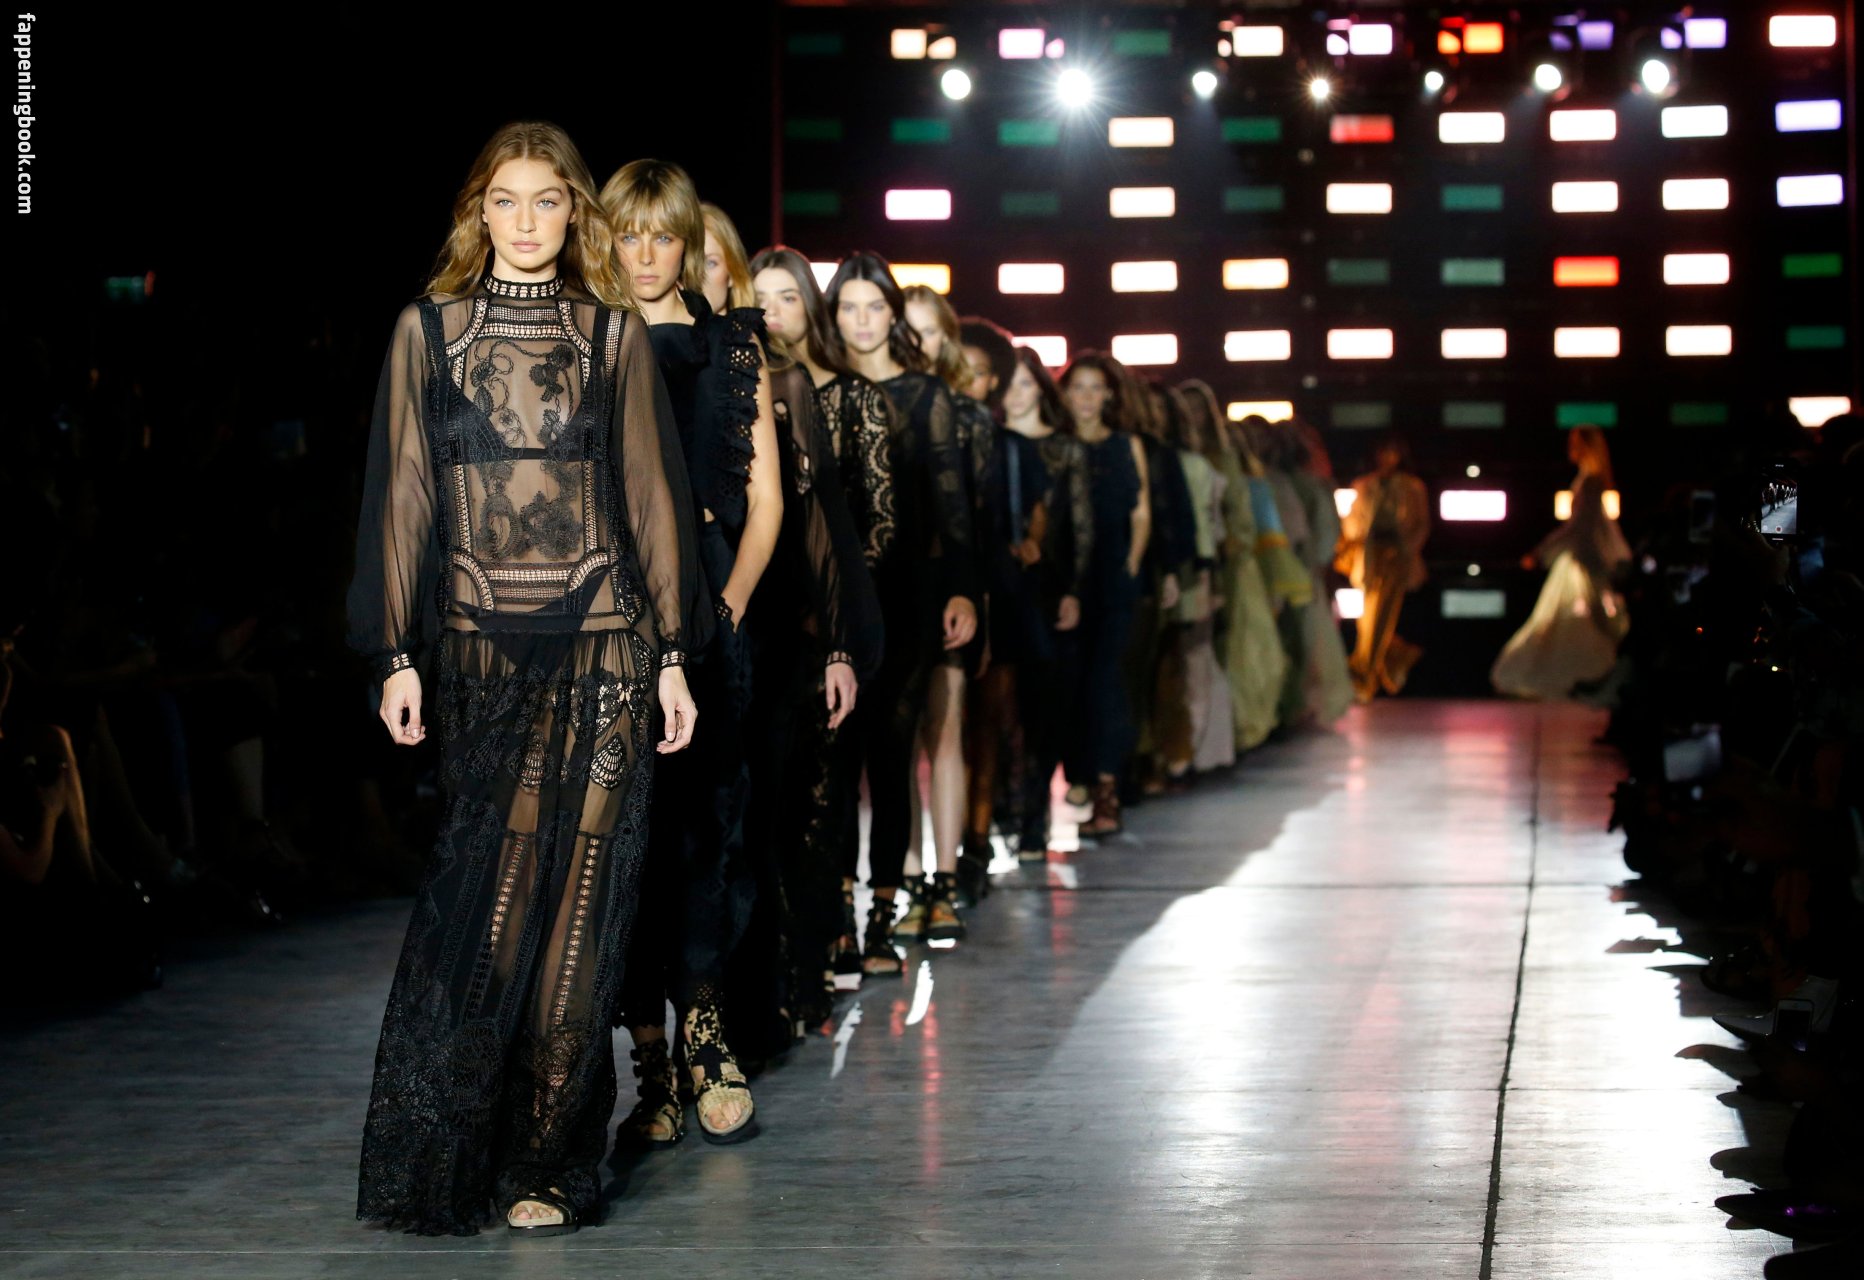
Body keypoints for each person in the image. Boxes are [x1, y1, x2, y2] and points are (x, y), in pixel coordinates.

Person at [350, 122, 705, 1238]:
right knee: (495, 900)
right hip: (480, 650)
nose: (526, 220)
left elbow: (648, 491)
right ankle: (476, 1146)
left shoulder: (611, 333)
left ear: (573, 213)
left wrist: (675, 654)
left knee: (583, 907)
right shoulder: (429, 330)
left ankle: (549, 1162)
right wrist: (393, 653)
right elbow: (405, 494)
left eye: (548, 200)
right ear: (478, 212)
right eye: (505, 200)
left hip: (607, 644)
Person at [599, 161, 781, 1149]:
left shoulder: (732, 347)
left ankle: (707, 1036)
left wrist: (730, 604)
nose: (643, 254)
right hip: (602, 610)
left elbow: (766, 500)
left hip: (708, 610)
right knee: (620, 841)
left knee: (707, 827)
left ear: (687, 243)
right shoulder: (585, 339)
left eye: (660, 236)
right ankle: (651, 1066)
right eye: (626, 234)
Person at [822, 252, 978, 974]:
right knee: (836, 760)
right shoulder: (818, 388)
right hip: (832, 599)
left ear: (892, 314)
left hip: (910, 594)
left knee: (891, 753)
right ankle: (839, 923)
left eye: (873, 306)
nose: (861, 321)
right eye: (848, 307)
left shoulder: (926, 395)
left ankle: (882, 917)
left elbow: (952, 503)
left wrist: (963, 591)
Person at [750, 245, 897, 989]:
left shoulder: (847, 396)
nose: (773, 312)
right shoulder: (739, 385)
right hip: (765, 609)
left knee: (830, 782)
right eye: (760, 298)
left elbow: (870, 521)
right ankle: (793, 947)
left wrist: (832, 614)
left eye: (788, 297)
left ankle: (829, 932)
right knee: (776, 792)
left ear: (811, 308)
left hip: (833, 617)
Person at [900, 284, 997, 921]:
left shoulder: (969, 417)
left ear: (947, 340)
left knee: (947, 729)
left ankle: (944, 881)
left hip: (950, 584)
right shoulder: (870, 400)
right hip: (891, 584)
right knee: (897, 741)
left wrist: (978, 601)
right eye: (907, 331)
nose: (917, 343)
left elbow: (979, 521)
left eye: (929, 331)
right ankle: (907, 882)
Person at [996, 345, 1092, 858]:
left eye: (1026, 382)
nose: (1015, 393)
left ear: (1040, 387)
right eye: (1008, 382)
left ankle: (1033, 818)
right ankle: (1003, 811)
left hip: (1047, 588)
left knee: (1043, 708)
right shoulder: (984, 439)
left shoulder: (1065, 449)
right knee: (999, 711)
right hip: (995, 587)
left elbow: (1081, 527)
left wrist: (1074, 590)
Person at [1057, 352, 1150, 837]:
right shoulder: (1057, 444)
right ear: (1065, 392)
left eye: (1096, 387)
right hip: (1065, 581)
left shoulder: (1126, 444)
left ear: (1110, 394)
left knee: (1106, 682)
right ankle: (1081, 776)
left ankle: (1108, 788)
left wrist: (1131, 563)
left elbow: (1141, 511)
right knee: (1071, 683)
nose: (1088, 397)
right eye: (1079, 387)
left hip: (1113, 577)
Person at [1178, 383, 1286, 752]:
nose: (1192, 417)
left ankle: (1224, 735)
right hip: (1186, 562)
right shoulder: (1174, 454)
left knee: (1231, 647)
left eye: (1198, 409)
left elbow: (1240, 515)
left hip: (1227, 564)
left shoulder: (1223, 459)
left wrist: (1232, 554)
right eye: (1186, 409)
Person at [1492, 426, 1631, 699]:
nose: (1570, 449)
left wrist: (1541, 551)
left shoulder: (1590, 482)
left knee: (1598, 622)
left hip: (1587, 561)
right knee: (1595, 622)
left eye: (1575, 443)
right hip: (1584, 559)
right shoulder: (1588, 481)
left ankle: (1609, 675)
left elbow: (1578, 528)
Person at [1339, 435, 1430, 702]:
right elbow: (1354, 521)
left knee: (1381, 616)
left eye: (1392, 452)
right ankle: (1381, 665)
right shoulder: (1364, 485)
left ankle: (1365, 675)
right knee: (1368, 618)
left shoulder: (1412, 486)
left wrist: (1407, 549)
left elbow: (1421, 523)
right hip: (1369, 556)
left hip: (1397, 557)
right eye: (1384, 451)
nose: (1387, 457)